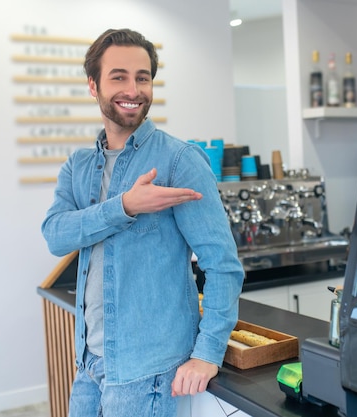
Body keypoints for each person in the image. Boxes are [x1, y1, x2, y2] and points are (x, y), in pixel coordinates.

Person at [41, 28, 244, 417]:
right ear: (93, 85)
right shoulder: (78, 168)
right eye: (118, 77)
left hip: (148, 372)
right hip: (89, 365)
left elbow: (223, 266)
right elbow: (55, 236)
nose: (133, 89)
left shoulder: (179, 161)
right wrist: (125, 207)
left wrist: (207, 354)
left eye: (143, 77)